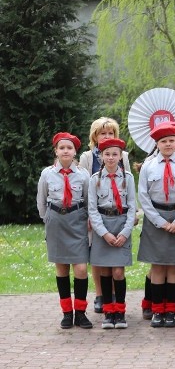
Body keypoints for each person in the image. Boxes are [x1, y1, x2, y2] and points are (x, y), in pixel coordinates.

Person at [137, 122, 175, 328]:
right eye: (163, 141)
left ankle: (171, 310)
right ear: (157, 144)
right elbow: (143, 195)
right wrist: (159, 221)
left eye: (171, 140)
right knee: (158, 266)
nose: (168, 144)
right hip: (155, 219)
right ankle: (157, 310)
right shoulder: (148, 166)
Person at [37, 132, 93, 329]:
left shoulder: (83, 175)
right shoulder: (47, 174)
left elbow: (88, 201)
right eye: (62, 148)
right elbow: (41, 201)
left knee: (81, 268)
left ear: (75, 151)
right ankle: (67, 313)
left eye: (69, 148)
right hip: (55, 221)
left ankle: (81, 313)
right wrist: (48, 220)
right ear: (56, 151)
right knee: (61, 268)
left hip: (77, 221)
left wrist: (87, 221)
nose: (65, 151)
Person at [78, 117, 131, 314]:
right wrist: (88, 216)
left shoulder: (121, 155)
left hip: (117, 212)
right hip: (95, 212)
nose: (107, 136)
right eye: (103, 133)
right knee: (97, 255)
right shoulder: (87, 157)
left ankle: (116, 296)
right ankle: (101, 295)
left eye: (110, 133)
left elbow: (127, 184)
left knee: (116, 261)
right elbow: (84, 188)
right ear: (95, 136)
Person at [87, 138, 136, 329]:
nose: (110, 157)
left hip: (121, 224)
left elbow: (133, 207)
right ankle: (109, 311)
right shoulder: (95, 180)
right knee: (105, 271)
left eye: (115, 154)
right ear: (100, 156)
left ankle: (120, 311)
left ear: (121, 156)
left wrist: (125, 232)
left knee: (118, 271)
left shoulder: (128, 178)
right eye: (106, 154)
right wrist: (103, 233)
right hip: (103, 227)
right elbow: (92, 209)